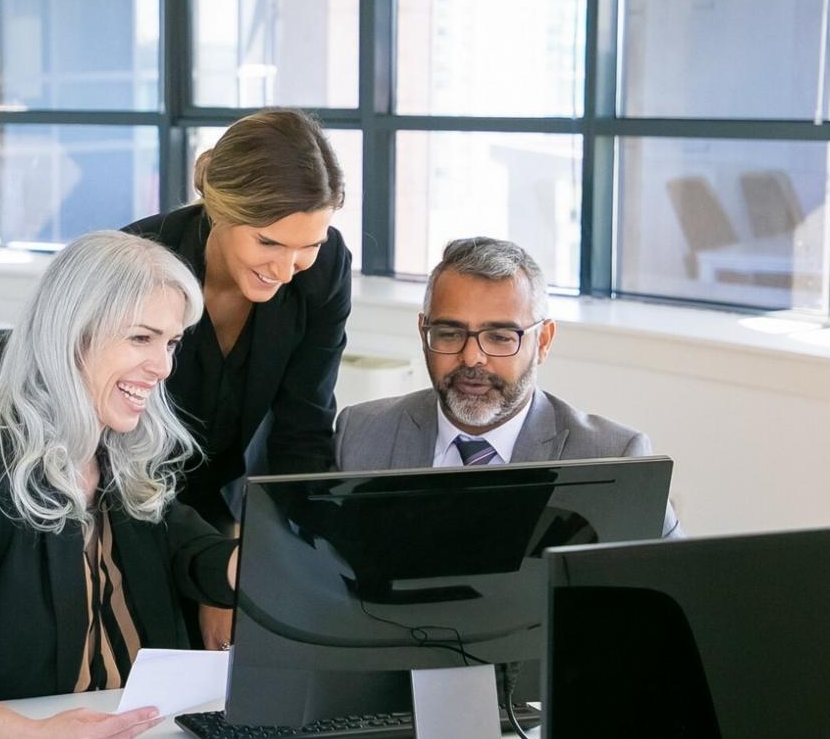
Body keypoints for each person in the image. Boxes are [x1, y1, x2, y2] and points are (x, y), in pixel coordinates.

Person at [0, 230, 239, 739]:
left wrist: (268, 558)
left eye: (170, 343)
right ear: (73, 337)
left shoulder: (120, 454)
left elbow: (198, 557)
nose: (164, 366)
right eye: (141, 339)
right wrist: (39, 738)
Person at [126, 109, 351, 650]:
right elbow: (125, 453)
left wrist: (279, 565)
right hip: (130, 508)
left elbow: (305, 431)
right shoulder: (138, 266)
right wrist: (215, 578)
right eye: (269, 243)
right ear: (221, 210)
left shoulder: (323, 269)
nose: (288, 266)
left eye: (309, 244)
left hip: (230, 519)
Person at [334, 236, 682, 538]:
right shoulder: (360, 436)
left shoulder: (613, 459)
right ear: (424, 332)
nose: (472, 357)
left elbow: (674, 594)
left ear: (543, 341)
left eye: (500, 337)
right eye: (450, 333)